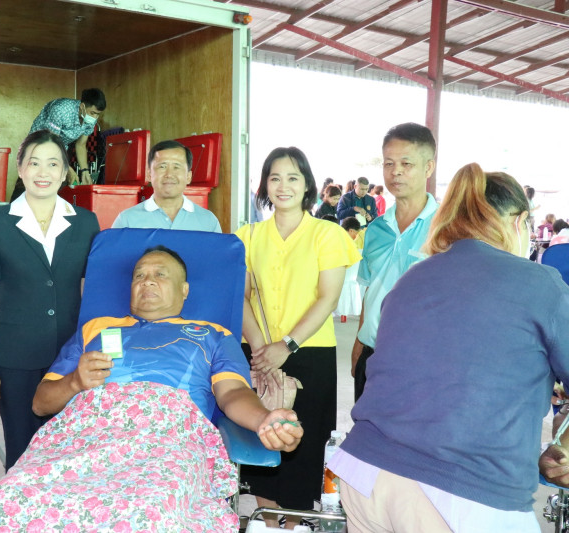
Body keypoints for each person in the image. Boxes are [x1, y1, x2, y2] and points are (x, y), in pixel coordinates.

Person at [0, 247, 302, 532]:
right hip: (84, 437)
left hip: (167, 439)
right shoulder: (96, 329)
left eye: (160, 274)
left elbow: (232, 394)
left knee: (148, 510)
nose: (147, 281)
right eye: (139, 275)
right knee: (11, 495)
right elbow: (40, 404)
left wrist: (264, 420)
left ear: (184, 290)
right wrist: (75, 382)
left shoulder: (213, 335)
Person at [329, 163, 569, 533]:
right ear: (520, 222)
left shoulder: (413, 277)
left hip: (364, 473)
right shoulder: (541, 284)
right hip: (461, 489)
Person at [236, 147, 361, 526]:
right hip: (257, 351)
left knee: (302, 444)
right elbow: (240, 296)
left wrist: (286, 344)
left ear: (307, 185)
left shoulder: (327, 234)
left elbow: (328, 298)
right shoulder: (247, 235)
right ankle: (267, 521)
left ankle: (294, 523)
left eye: (293, 177)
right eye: (275, 178)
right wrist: (261, 347)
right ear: (264, 185)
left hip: (310, 352)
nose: (283, 186)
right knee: (260, 439)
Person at [0, 129, 100, 470]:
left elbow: (93, 291)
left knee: (69, 452)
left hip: (70, 355)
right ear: (21, 169)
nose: (43, 172)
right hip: (16, 357)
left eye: (53, 164)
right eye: (34, 163)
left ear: (65, 172)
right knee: (21, 450)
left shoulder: (85, 222)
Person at [351, 123, 437, 401]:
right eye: (389, 163)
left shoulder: (447, 228)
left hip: (421, 359)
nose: (395, 171)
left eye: (406, 163)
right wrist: (359, 341)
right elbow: (370, 290)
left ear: (428, 168)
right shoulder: (376, 229)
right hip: (371, 353)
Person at [111, 140, 222, 232]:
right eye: (162, 166)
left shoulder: (208, 222)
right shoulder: (126, 221)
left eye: (176, 167)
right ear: (149, 174)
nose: (169, 174)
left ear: (188, 176)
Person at [27, 88, 106, 185]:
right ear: (82, 106)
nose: (95, 117)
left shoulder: (90, 120)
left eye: (98, 114)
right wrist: (67, 168)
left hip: (60, 147)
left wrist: (85, 171)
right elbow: (51, 143)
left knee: (60, 183)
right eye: (92, 113)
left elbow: (81, 144)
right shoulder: (60, 110)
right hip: (39, 143)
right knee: (31, 181)